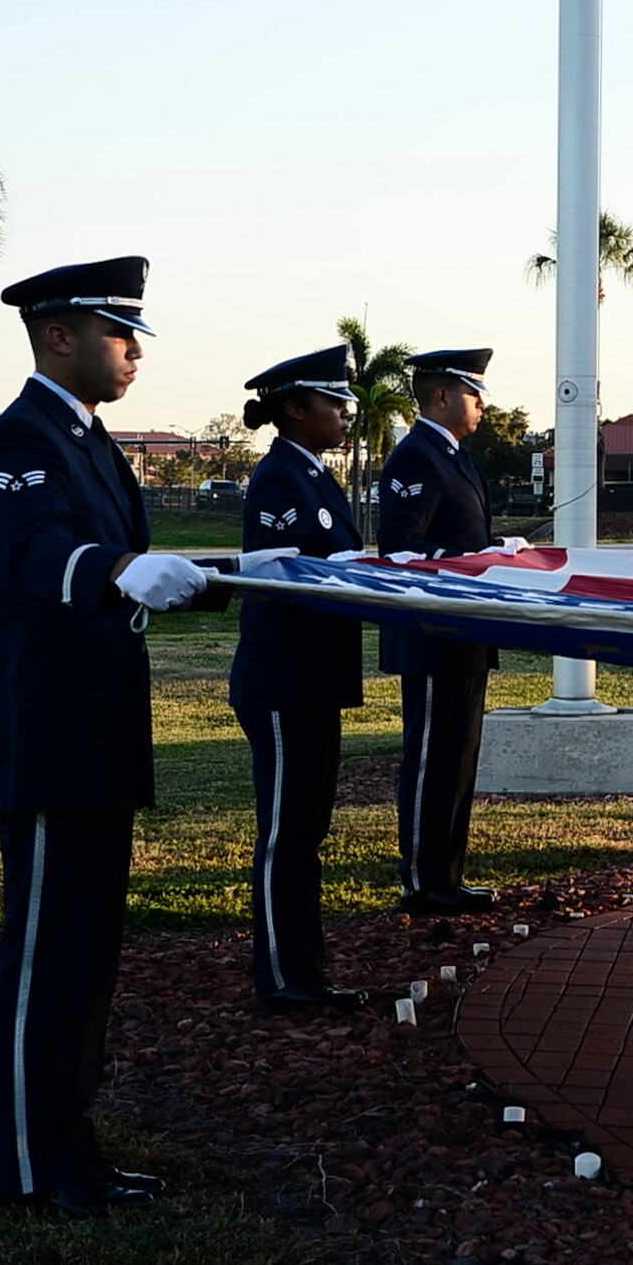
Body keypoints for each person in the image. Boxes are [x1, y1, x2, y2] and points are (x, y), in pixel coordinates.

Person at [0, 257, 238, 1213]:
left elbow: (118, 550)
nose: (133, 353)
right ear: (56, 336)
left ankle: (71, 1147)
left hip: (96, 734)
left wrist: (224, 568)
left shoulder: (89, 440)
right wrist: (116, 566)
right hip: (44, 740)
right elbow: (30, 548)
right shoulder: (17, 441)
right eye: (119, 334)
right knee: (44, 954)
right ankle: (32, 1166)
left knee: (87, 953)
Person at [231, 345, 371, 1012]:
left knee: (307, 830)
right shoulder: (279, 478)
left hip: (316, 678)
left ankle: (306, 971)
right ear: (295, 409)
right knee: (286, 834)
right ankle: (285, 977)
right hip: (285, 681)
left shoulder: (315, 475)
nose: (346, 411)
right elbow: (283, 578)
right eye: (333, 401)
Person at [376, 348, 523, 915]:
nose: (482, 403)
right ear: (441, 397)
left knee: (459, 756)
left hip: (465, 633)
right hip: (432, 634)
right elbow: (401, 552)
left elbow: (460, 537)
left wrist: (493, 551)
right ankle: (422, 879)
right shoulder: (417, 458)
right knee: (434, 756)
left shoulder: (456, 457)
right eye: (472, 391)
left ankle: (447, 874)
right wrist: (476, 557)